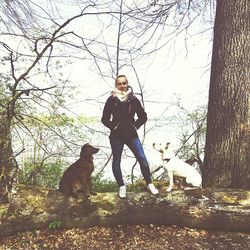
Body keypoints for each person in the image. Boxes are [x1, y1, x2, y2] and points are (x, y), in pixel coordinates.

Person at [101, 75, 159, 198]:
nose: (122, 86)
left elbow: (143, 116)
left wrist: (135, 125)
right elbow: (104, 119)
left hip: (131, 135)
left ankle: (149, 184)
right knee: (117, 161)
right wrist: (113, 126)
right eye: (119, 84)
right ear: (116, 85)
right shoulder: (111, 100)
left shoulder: (133, 99)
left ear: (127, 84)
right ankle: (122, 186)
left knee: (142, 159)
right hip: (116, 136)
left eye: (124, 83)